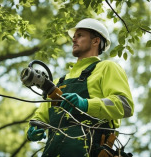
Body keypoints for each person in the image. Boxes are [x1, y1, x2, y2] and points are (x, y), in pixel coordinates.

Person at [26, 18, 134, 157]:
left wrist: (86, 104)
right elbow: (40, 117)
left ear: (95, 41)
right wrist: (32, 129)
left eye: (80, 35)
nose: (74, 40)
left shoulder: (106, 68)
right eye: (74, 36)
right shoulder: (58, 82)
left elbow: (124, 105)